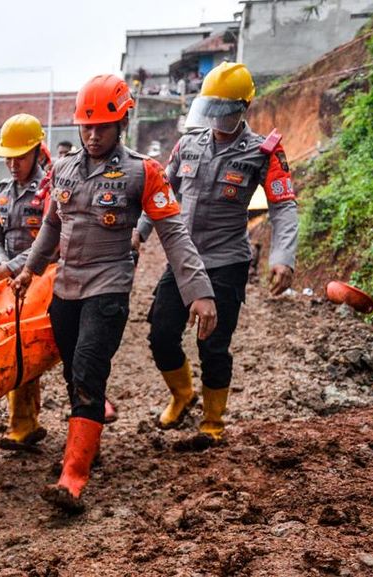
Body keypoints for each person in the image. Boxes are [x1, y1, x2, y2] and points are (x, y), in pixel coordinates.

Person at [12, 74, 217, 513]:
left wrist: (198, 290)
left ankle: (73, 477)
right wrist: (29, 270)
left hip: (108, 287)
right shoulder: (63, 169)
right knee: (72, 371)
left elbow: (173, 232)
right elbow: (51, 225)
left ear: (122, 122)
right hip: (65, 288)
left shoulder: (143, 172)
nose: (92, 135)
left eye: (101, 126)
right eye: (85, 126)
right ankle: (87, 445)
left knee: (88, 369)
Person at [135, 62, 299, 451]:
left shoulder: (263, 153)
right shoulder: (187, 144)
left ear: (243, 108)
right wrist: (138, 233)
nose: (217, 119)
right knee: (161, 334)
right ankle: (182, 395)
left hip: (226, 261)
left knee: (213, 343)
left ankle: (212, 422)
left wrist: (282, 257)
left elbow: (283, 206)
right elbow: (161, 192)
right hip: (183, 259)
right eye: (212, 109)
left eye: (225, 111)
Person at [0, 113, 55, 451]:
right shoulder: (2, 191)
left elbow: (47, 243)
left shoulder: (50, 191)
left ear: (37, 153)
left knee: (26, 346)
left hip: (40, 279)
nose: (13, 164)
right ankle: (26, 420)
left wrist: (9, 268)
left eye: (20, 157)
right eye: (9, 158)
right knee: (13, 342)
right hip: (9, 280)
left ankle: (23, 422)